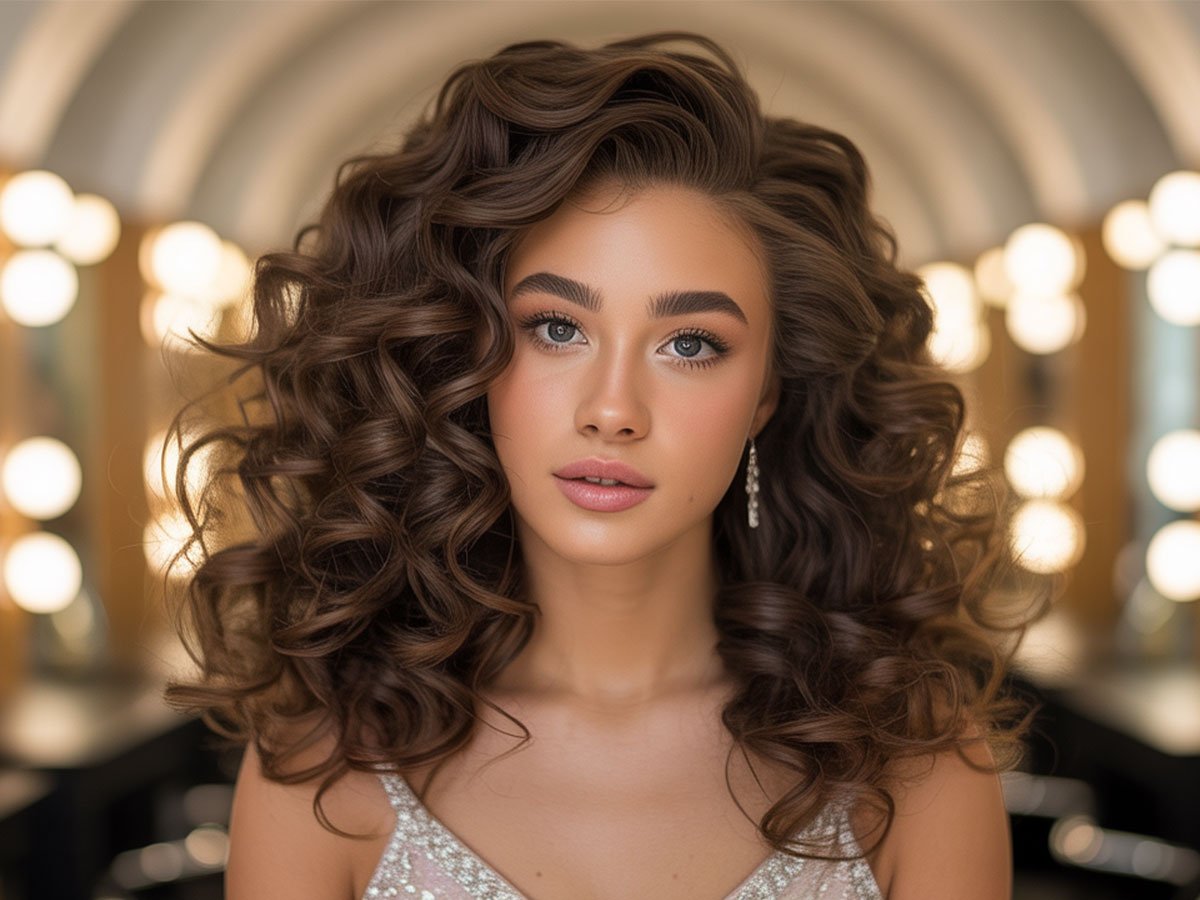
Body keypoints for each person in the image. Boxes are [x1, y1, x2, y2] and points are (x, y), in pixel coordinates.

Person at [162, 30, 1050, 900]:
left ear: (765, 397)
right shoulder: (325, 773)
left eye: (691, 343)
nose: (613, 409)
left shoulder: (915, 768)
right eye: (557, 328)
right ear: (465, 356)